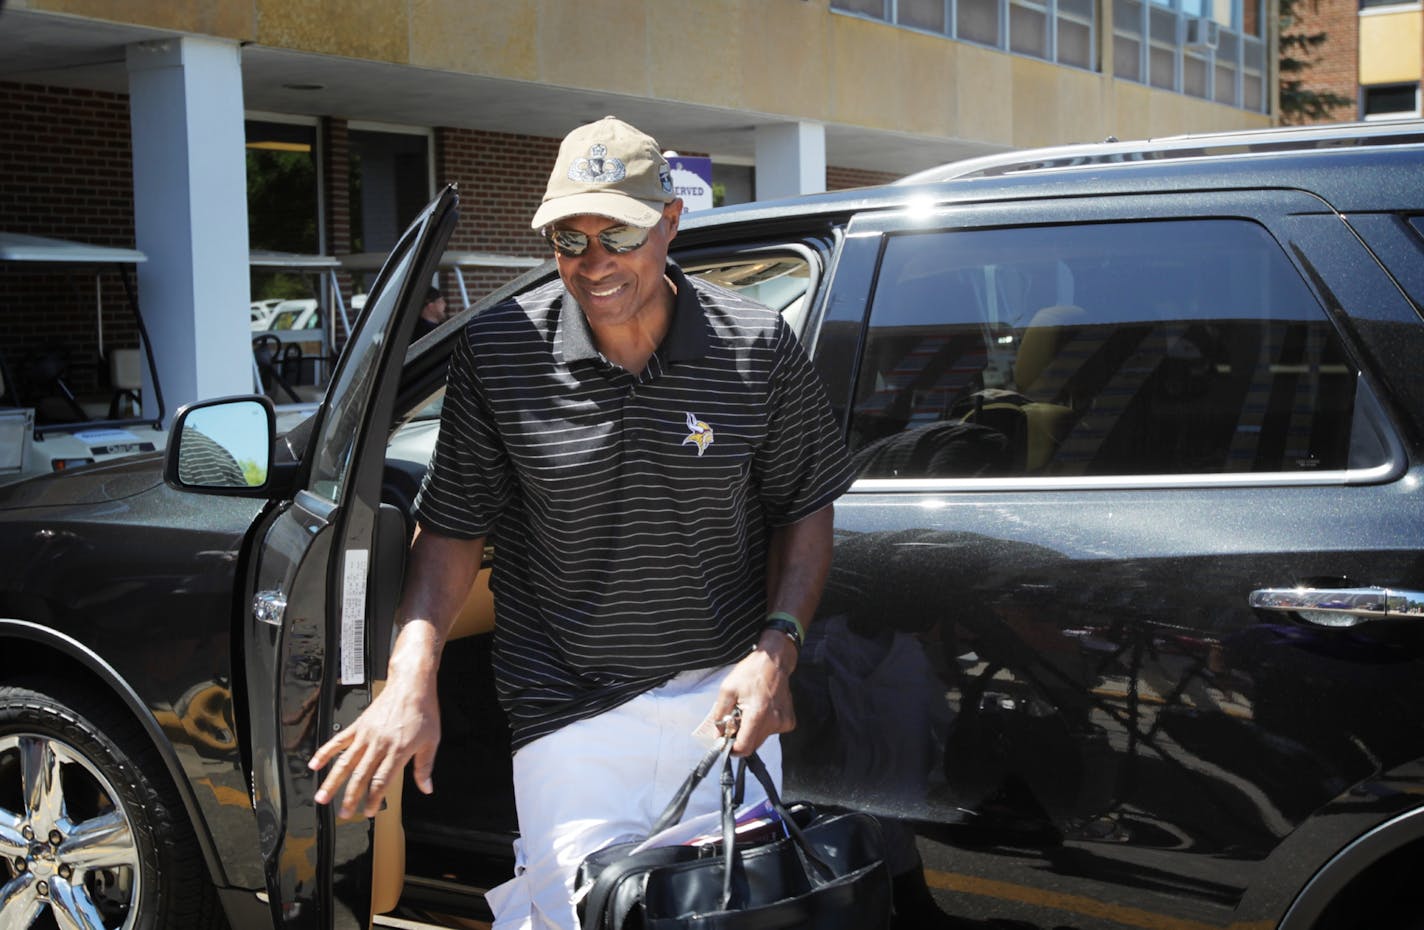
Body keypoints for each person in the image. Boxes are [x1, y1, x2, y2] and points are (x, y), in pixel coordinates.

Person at [308, 116, 855, 930]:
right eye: (569, 237)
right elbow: (452, 529)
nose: (593, 263)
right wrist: (411, 676)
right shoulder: (498, 352)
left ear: (668, 224)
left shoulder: (756, 345)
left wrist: (777, 652)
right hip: (570, 719)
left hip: (726, 710)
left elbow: (805, 511)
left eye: (619, 234)